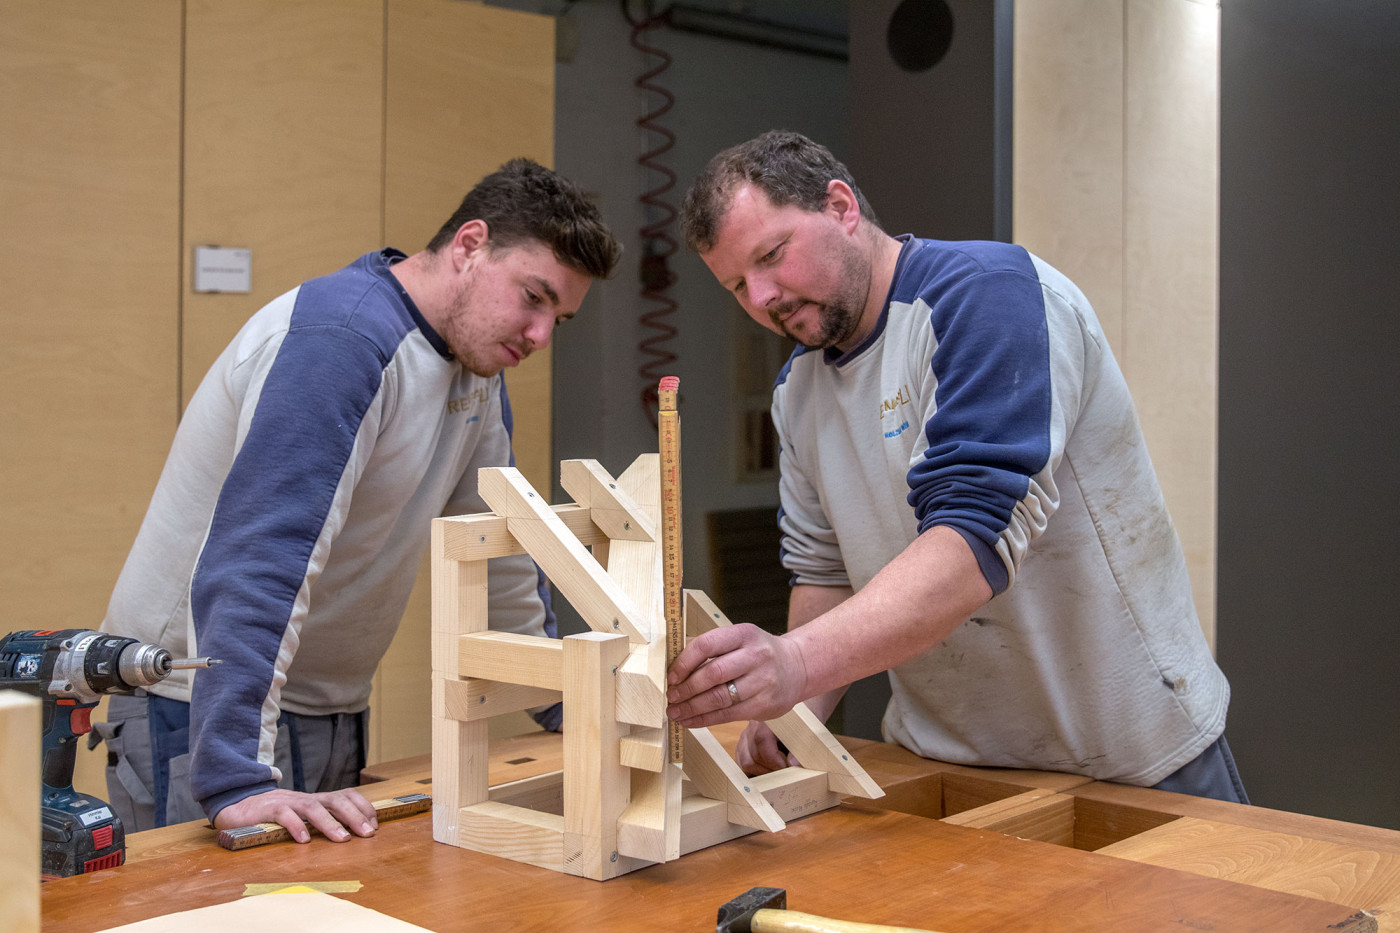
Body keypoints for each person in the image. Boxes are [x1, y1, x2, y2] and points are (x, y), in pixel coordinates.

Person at [667, 130, 1246, 803]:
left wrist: (795, 663)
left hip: (1127, 762)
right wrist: (799, 710)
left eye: (772, 255)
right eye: (738, 284)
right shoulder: (797, 392)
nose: (764, 296)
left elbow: (974, 541)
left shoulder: (988, 297)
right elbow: (826, 568)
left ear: (840, 206)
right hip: (947, 765)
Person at [96, 158, 621, 842]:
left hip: (325, 704)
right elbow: (260, 559)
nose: (542, 335)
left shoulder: (477, 373)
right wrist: (233, 774)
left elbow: (500, 548)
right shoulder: (341, 342)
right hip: (199, 705)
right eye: (533, 296)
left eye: (561, 317)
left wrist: (569, 704)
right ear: (469, 245)